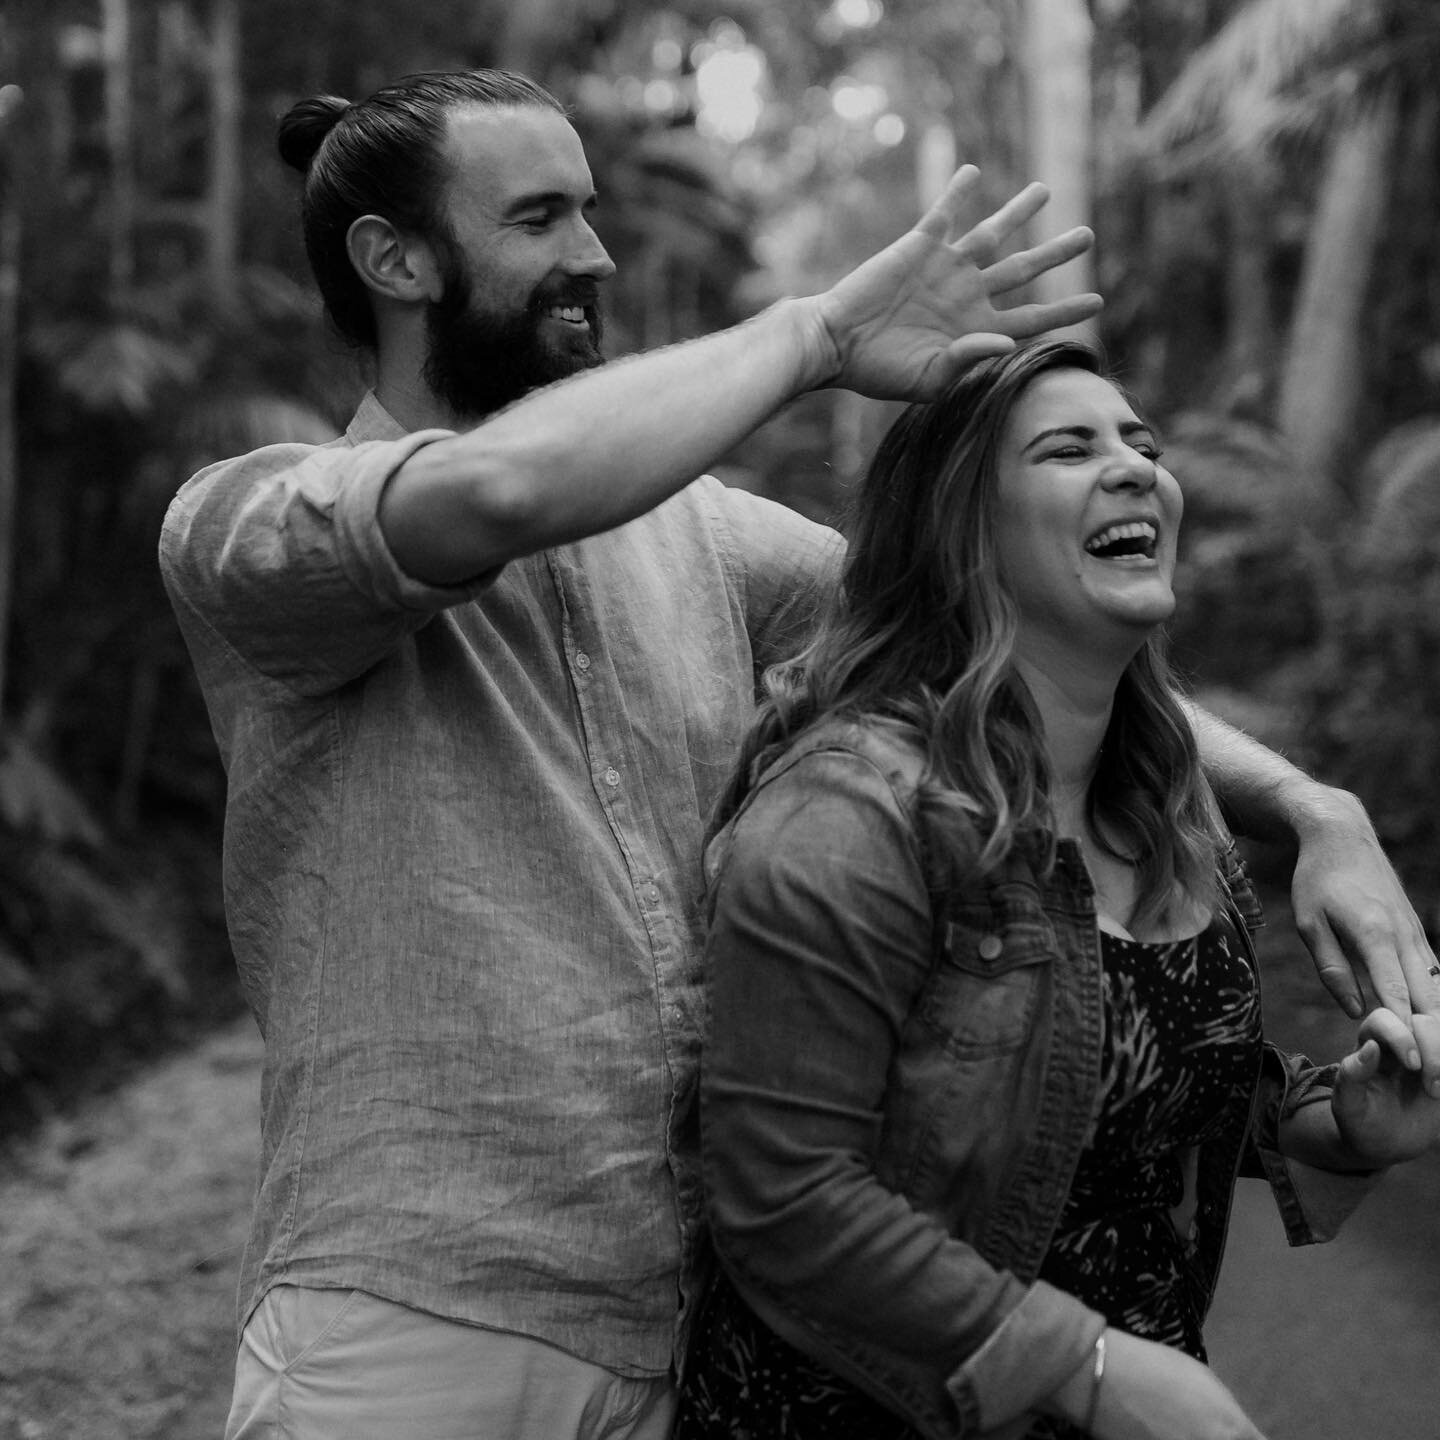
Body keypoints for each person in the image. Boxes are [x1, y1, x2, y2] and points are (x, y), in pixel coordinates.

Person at [155, 68, 1437, 1439]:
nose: (593, 252)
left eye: (590, 212)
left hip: (692, 1321)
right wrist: (820, 333)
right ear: (393, 260)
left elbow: (1002, 636)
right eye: (539, 216)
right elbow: (505, 487)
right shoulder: (250, 527)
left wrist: (1310, 806)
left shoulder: (703, 540)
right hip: (419, 1314)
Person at [673, 339, 1440, 1440]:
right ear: (963, 532)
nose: (1135, 467)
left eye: (1143, 443)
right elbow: (781, 1198)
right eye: (1069, 449)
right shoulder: (852, 816)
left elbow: (1102, 1087)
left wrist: (1338, 1120)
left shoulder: (1175, 813)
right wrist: (1090, 1367)